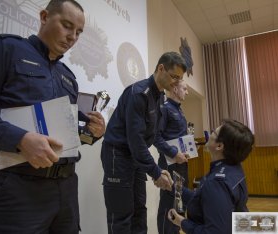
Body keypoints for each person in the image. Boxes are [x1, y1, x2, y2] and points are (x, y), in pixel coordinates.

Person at [0, 1, 105, 233]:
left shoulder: (68, 77)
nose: (72, 37)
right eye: (67, 26)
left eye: (78, 32)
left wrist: (93, 134)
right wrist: (19, 139)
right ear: (45, 16)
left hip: (66, 188)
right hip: (18, 187)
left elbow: (68, 138)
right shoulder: (5, 49)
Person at [100, 52, 187, 234]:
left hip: (136, 157)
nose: (176, 83)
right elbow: (136, 140)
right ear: (161, 68)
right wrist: (156, 172)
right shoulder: (138, 94)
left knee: (140, 210)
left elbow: (153, 135)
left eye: (179, 79)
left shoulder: (159, 97)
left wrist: (158, 168)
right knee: (122, 215)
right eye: (174, 77)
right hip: (119, 155)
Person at [168, 119, 254, 234]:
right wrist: (173, 186)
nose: (210, 133)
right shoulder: (234, 168)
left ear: (219, 146)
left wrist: (182, 222)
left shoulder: (216, 182)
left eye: (213, 132)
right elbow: (204, 199)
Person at [153, 79, 189, 234]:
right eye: (185, 89)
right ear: (175, 89)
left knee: (179, 202)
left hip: (181, 163)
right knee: (169, 202)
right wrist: (174, 153)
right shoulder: (165, 109)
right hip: (169, 163)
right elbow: (155, 137)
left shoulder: (180, 110)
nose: (187, 92)